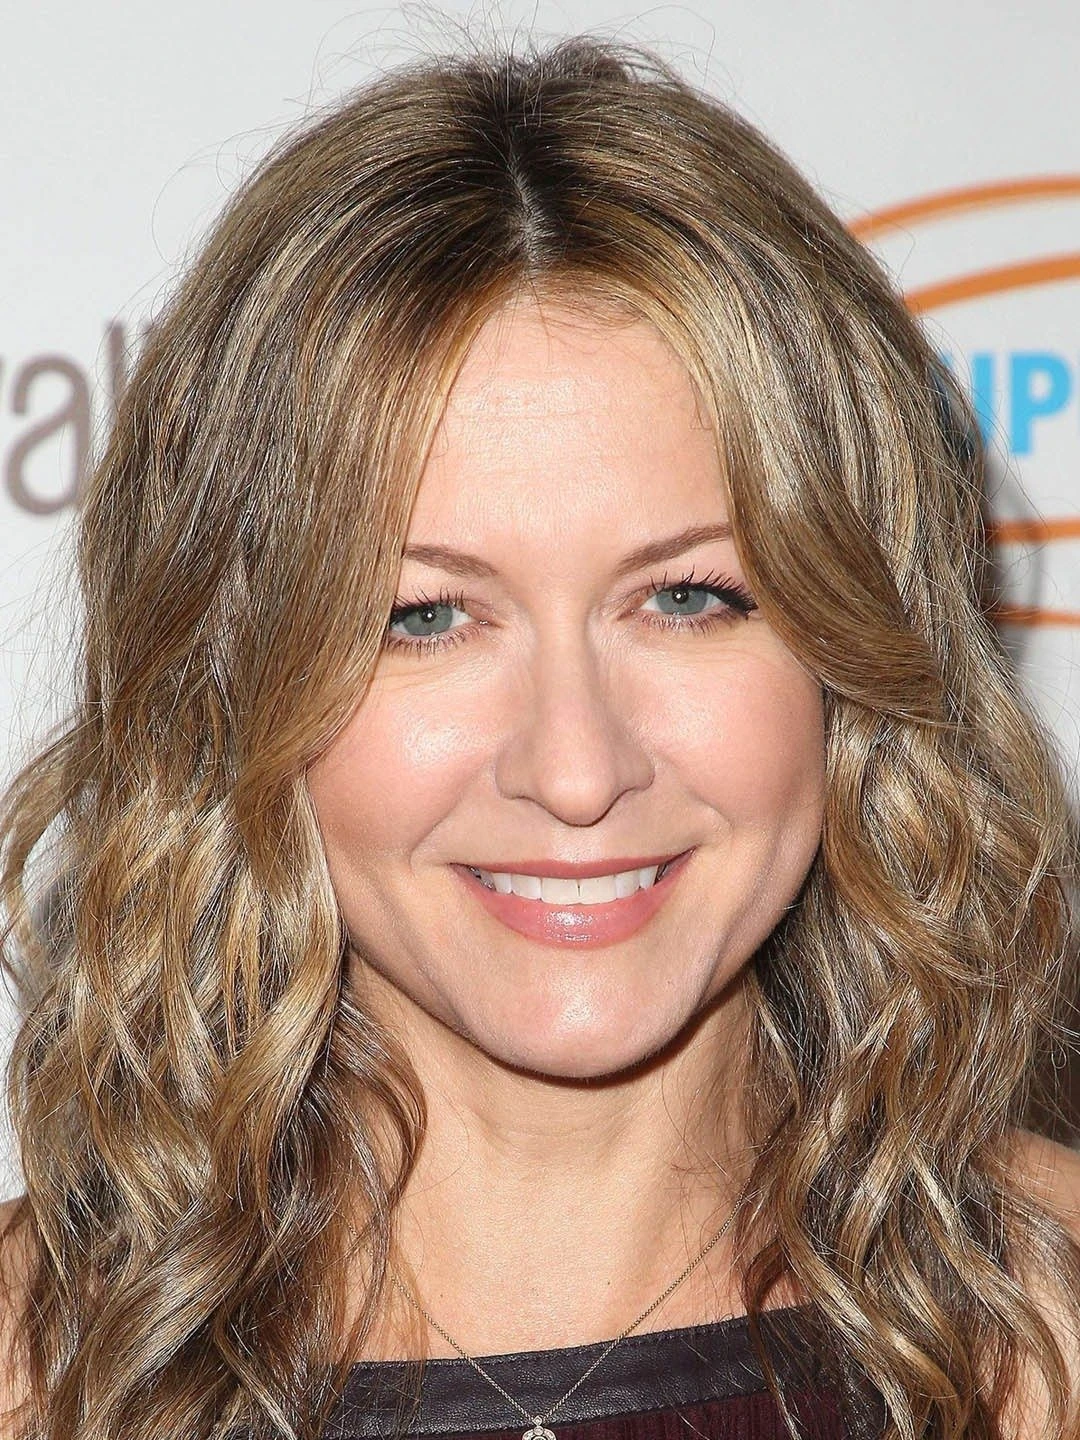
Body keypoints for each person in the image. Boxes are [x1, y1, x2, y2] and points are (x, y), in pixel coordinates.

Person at [1, 33, 1079, 1440]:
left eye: (688, 598)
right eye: (427, 617)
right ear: (236, 679)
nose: (577, 771)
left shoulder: (1048, 1329)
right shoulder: (39, 1373)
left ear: (851, 651)